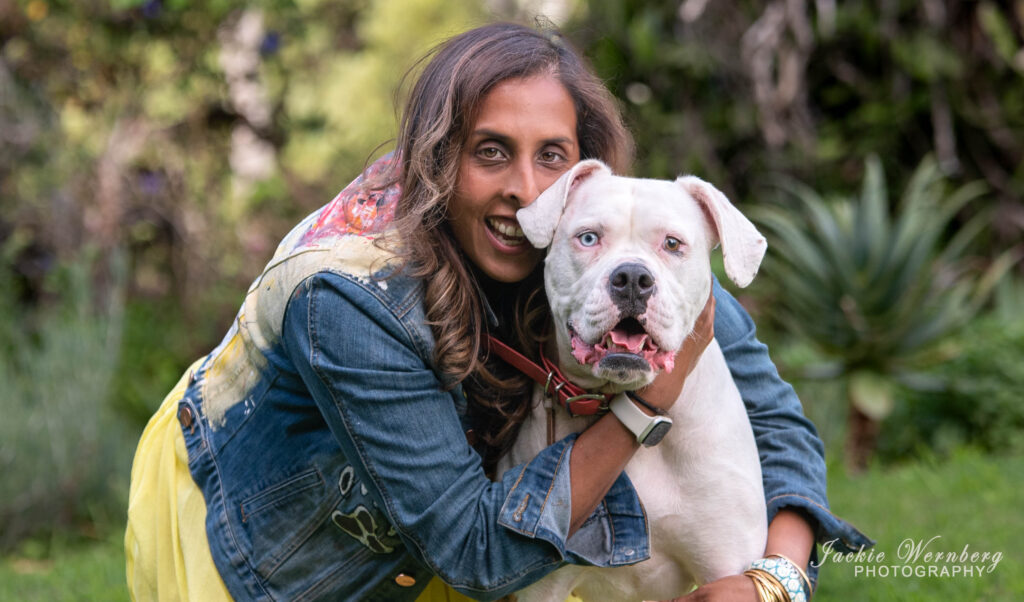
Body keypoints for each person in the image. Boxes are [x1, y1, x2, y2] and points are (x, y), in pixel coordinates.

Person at [125, 22, 870, 602]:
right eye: (490, 152)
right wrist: (643, 404)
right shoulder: (346, 298)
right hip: (278, 519)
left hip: (468, 532)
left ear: (586, 166)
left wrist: (777, 579)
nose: (524, 190)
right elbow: (477, 551)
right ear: (437, 160)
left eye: (551, 154)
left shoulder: (604, 241)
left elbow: (771, 417)